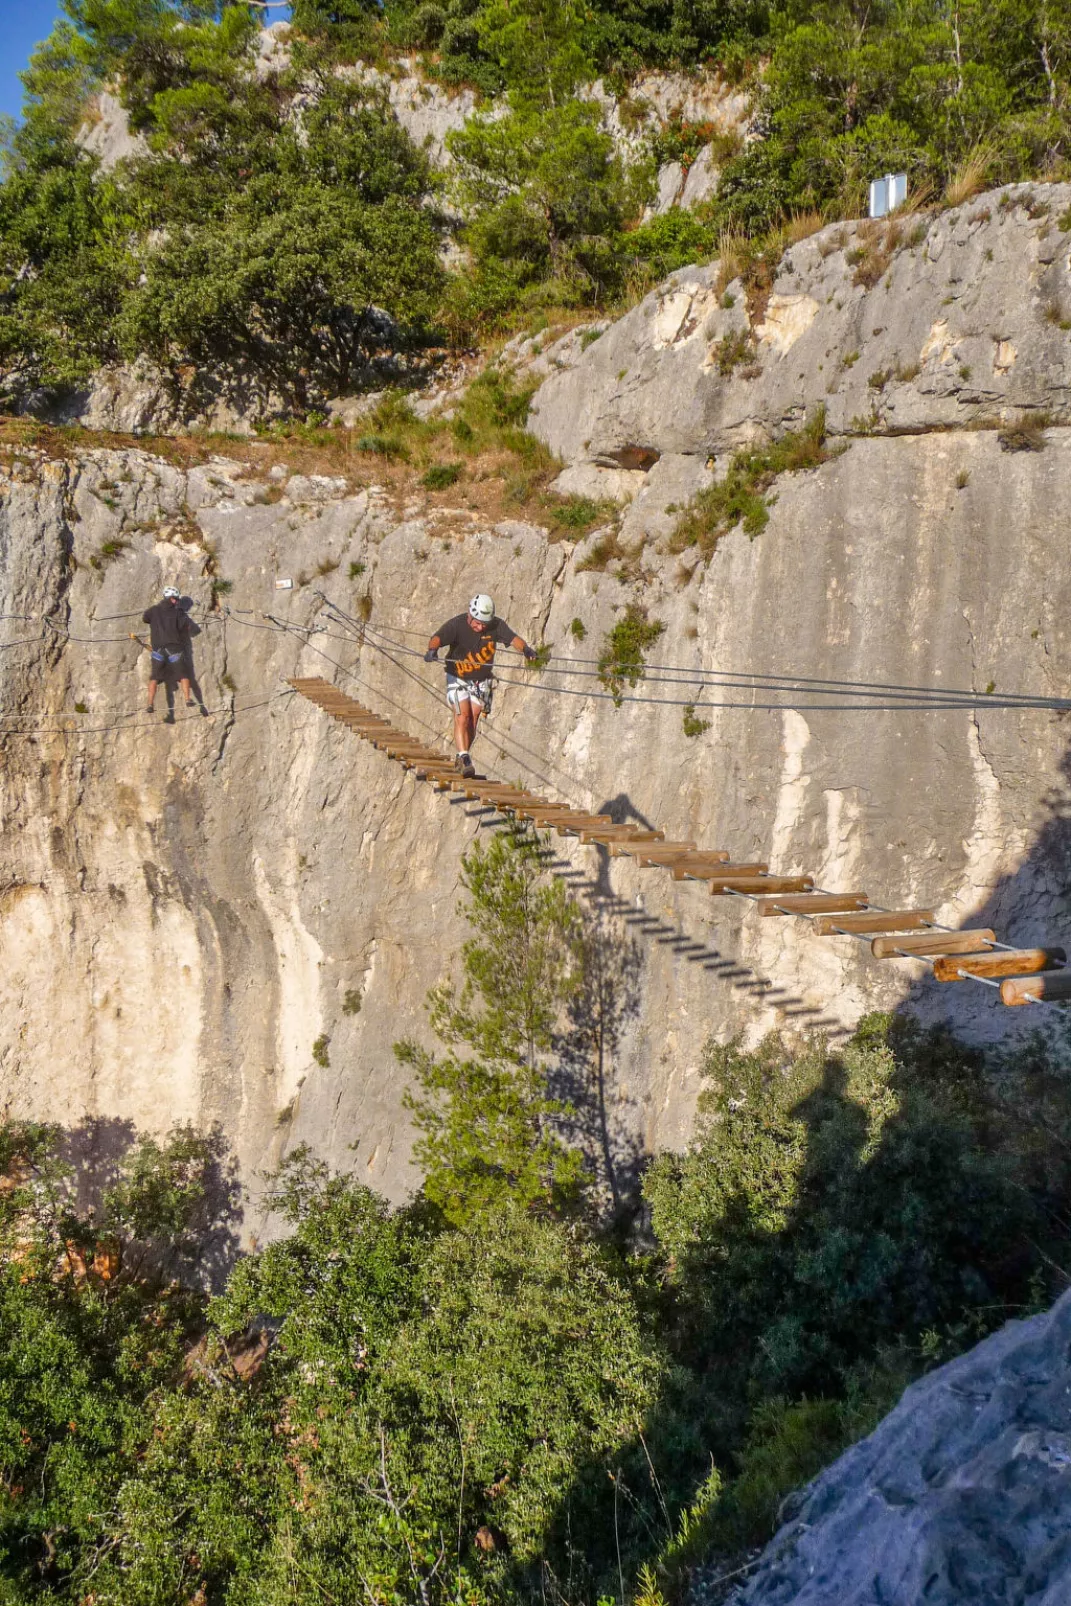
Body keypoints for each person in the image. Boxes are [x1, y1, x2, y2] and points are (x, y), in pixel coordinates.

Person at [425, 593, 537, 774]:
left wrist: (526, 649)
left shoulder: (496, 626)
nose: (479, 627)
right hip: (458, 676)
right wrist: (432, 649)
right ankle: (464, 756)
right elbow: (438, 637)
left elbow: (513, 638)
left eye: (483, 625)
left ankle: (462, 756)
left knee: (474, 718)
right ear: (470, 615)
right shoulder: (458, 624)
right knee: (463, 716)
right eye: (477, 623)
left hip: (482, 680)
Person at [143, 586, 192, 721]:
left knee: (154, 677)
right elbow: (186, 628)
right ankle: (188, 699)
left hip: (158, 650)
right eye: (176, 599)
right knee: (183, 674)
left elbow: (145, 618)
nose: (177, 601)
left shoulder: (153, 611)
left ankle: (150, 703)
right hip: (174, 648)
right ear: (171, 598)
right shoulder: (178, 613)